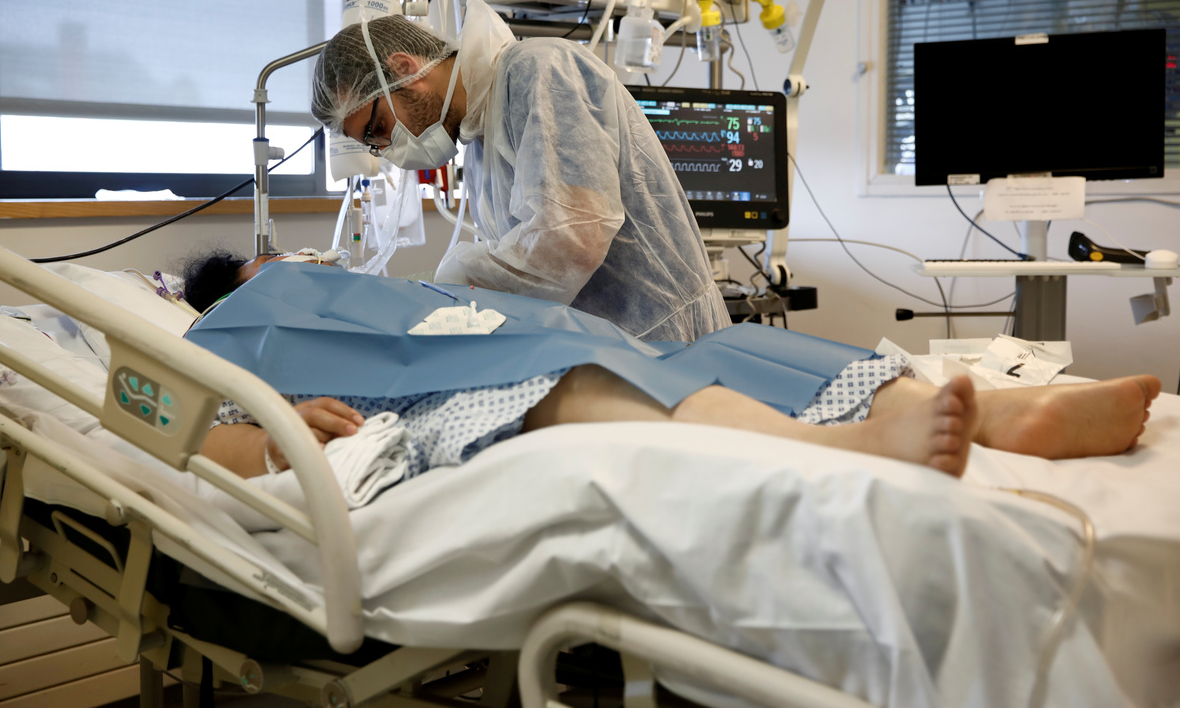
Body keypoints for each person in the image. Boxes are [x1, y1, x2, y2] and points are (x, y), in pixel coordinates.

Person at [183, 254, 1162, 488]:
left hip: (530, 339)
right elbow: (185, 440)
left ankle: (1001, 414)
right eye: (284, 274)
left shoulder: (384, 289)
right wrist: (275, 435)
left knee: (731, 346)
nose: (316, 278)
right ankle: (857, 444)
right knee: (579, 382)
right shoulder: (223, 337)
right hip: (452, 399)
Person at [309, 0, 732, 343]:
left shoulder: (539, 71)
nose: (386, 150)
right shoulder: (479, 135)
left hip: (666, 342)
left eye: (379, 128)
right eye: (373, 145)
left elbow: (574, 238)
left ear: (404, 68)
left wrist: (454, 280)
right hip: (611, 347)